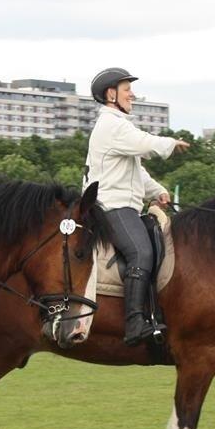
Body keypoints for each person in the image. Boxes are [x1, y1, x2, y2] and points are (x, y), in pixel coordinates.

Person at [86, 67, 190, 346]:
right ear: (111, 94)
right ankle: (133, 323)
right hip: (112, 206)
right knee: (140, 251)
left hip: (126, 206)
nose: (132, 94)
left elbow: (136, 171)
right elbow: (141, 142)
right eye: (126, 88)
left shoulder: (117, 125)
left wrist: (157, 191)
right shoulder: (112, 125)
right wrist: (169, 143)